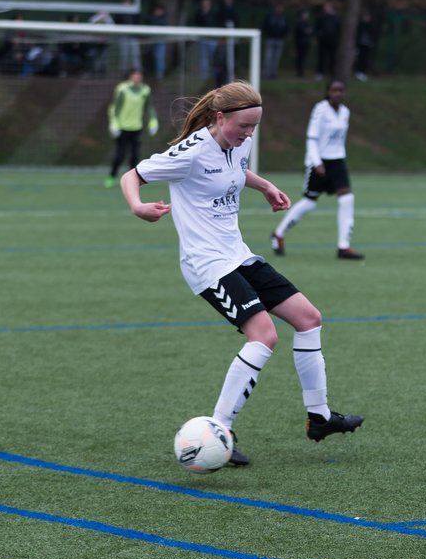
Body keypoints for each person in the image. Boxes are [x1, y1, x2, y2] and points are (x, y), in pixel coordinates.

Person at [118, 81, 364, 466]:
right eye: (243, 127)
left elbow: (236, 170)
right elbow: (132, 175)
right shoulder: (192, 151)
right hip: (207, 263)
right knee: (264, 336)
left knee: (308, 318)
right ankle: (220, 428)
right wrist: (137, 206)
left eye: (254, 128)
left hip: (238, 254)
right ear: (220, 117)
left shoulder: (238, 143)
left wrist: (264, 186)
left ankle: (319, 417)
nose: (248, 134)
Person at [271, 80, 364, 260]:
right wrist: (316, 161)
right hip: (318, 162)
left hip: (337, 161)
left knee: (347, 199)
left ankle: (343, 247)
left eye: (341, 90)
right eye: (334, 90)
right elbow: (312, 138)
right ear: (328, 92)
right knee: (310, 202)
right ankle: (279, 234)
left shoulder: (345, 111)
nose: (338, 93)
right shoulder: (320, 110)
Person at [106, 68, 159, 188]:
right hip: (122, 127)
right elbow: (115, 107)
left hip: (137, 128)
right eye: (135, 75)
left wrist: (153, 122)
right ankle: (112, 176)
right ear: (130, 76)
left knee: (135, 156)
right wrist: (114, 124)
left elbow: (149, 107)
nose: (137, 77)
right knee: (120, 155)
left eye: (139, 75)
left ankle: (131, 181)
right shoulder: (122, 89)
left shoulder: (145, 90)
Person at [261, 2, 288, 79]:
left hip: (279, 39)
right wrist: (269, 34)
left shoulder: (283, 17)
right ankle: (267, 73)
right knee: (268, 57)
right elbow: (265, 26)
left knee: (276, 58)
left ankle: (273, 73)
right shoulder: (269, 16)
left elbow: (286, 28)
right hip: (270, 39)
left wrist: (283, 36)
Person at [193, 0, 218, 80]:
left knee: (213, 58)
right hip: (202, 40)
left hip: (212, 39)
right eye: (204, 4)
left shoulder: (214, 14)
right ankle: (203, 76)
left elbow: (214, 25)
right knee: (203, 59)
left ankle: (214, 76)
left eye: (207, 4)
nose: (205, 6)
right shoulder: (198, 14)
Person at [316, 2, 340, 79]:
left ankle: (331, 73)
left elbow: (339, 29)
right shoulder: (321, 17)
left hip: (333, 41)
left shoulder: (336, 17)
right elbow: (317, 27)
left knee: (332, 57)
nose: (325, 8)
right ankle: (320, 73)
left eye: (327, 6)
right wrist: (319, 35)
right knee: (321, 57)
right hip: (322, 40)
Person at [146, 4, 168, 79]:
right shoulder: (152, 18)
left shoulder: (163, 19)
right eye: (156, 10)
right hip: (152, 40)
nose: (157, 12)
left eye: (159, 10)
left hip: (160, 41)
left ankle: (160, 74)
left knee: (159, 58)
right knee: (153, 57)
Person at [354, 11, 376, 81]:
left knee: (365, 59)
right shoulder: (360, 26)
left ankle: (363, 73)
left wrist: (371, 43)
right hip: (360, 45)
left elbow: (372, 35)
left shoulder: (370, 26)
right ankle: (358, 72)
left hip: (367, 45)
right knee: (359, 59)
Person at [293, 8, 314, 78]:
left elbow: (310, 31)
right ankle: (299, 71)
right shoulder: (299, 23)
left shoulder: (307, 23)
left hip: (305, 43)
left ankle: (301, 71)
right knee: (299, 58)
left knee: (303, 58)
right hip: (300, 43)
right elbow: (302, 32)